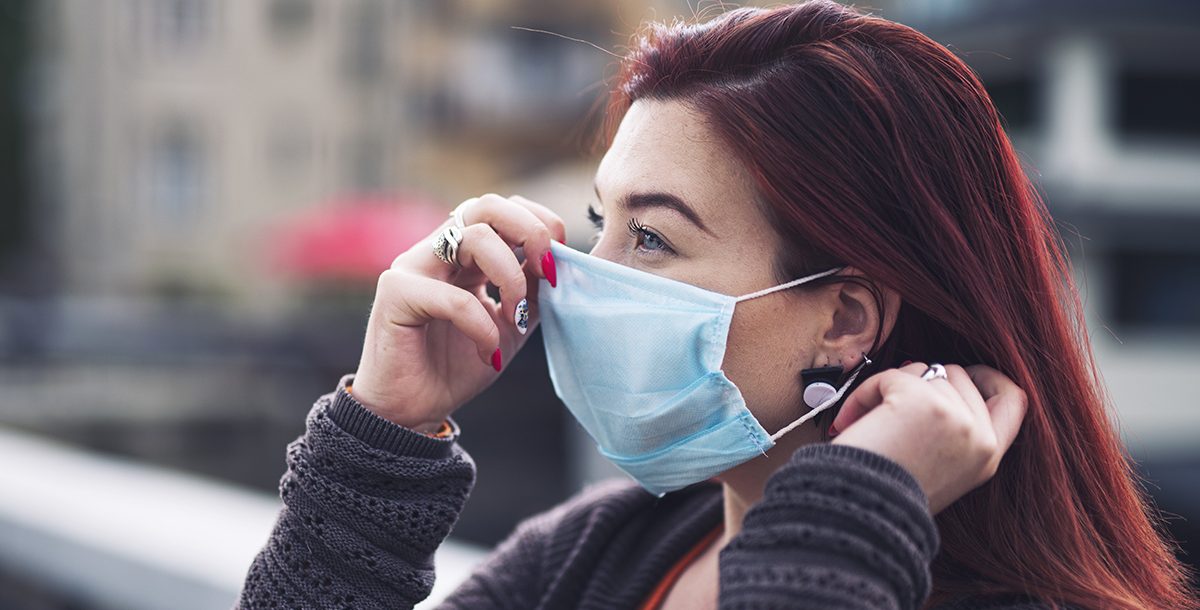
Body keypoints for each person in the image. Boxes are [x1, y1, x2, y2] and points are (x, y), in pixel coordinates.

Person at [237, 2, 1196, 609]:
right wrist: (381, 436)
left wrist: (852, 515)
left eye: (650, 237)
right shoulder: (592, 557)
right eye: (597, 221)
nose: (574, 273)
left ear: (846, 319)